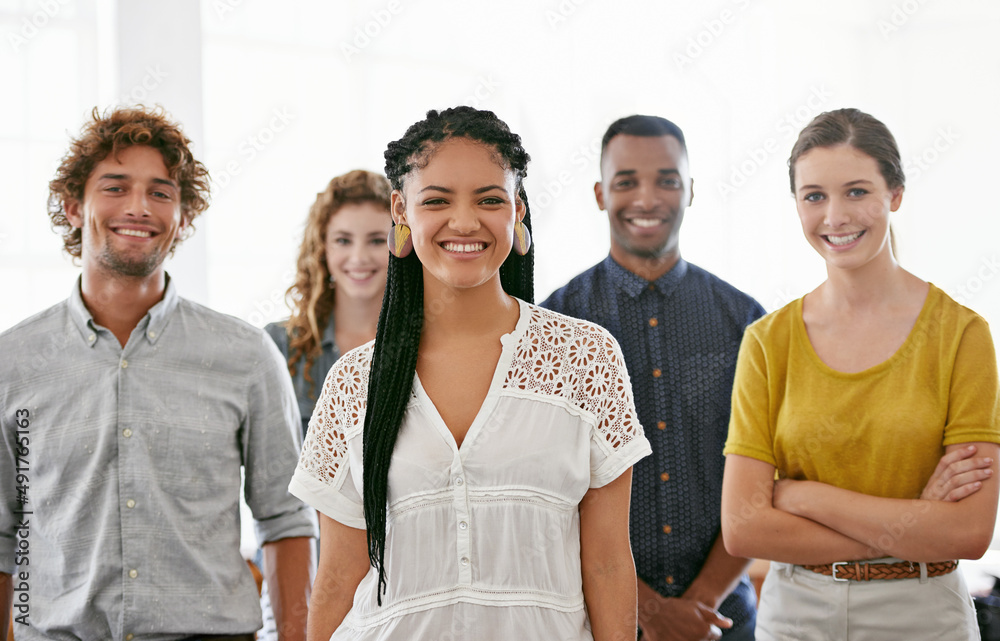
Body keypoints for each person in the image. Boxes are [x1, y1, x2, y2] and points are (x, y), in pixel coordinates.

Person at [288, 106, 652, 640]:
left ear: (517, 210)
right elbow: (339, 575)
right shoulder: (353, 381)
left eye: (489, 199)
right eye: (437, 200)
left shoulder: (585, 358)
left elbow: (607, 563)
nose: (463, 222)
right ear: (401, 211)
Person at [0, 106, 316, 641]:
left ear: (184, 217)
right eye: (116, 187)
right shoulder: (13, 363)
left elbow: (286, 519)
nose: (139, 207)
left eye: (161, 192)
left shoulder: (245, 355)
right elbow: (3, 536)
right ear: (74, 206)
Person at [721, 107, 1000, 640]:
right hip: (797, 616)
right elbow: (744, 527)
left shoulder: (961, 335)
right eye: (814, 196)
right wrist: (914, 523)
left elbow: (968, 532)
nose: (835, 216)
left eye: (856, 191)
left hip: (921, 615)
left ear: (895, 194)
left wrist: (804, 498)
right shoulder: (767, 342)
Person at [542, 115, 764, 640]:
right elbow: (546, 492)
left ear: (691, 189)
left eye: (667, 180)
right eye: (627, 182)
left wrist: (699, 603)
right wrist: (652, 612)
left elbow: (767, 476)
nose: (647, 198)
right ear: (601, 194)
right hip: (598, 620)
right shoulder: (556, 325)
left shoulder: (747, 322)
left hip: (722, 620)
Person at [266, 169, 393, 438]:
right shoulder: (278, 345)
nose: (358, 258)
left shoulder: (429, 343)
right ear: (322, 248)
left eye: (376, 240)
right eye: (343, 241)